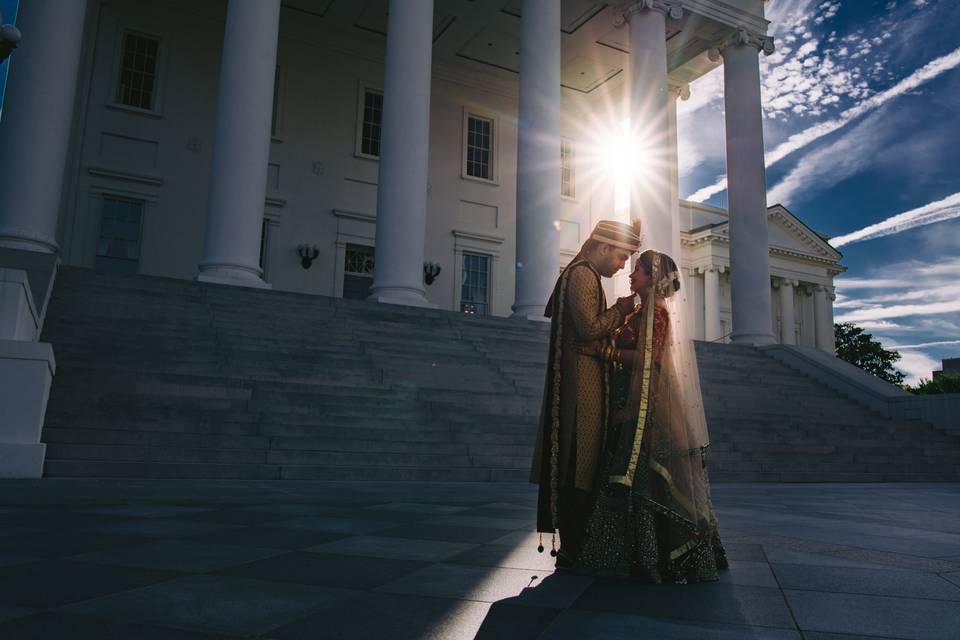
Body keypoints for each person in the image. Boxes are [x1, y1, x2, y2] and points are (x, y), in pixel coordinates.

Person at [575, 250, 729, 583]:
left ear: (652, 278)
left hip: (646, 404)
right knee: (633, 477)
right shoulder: (641, 312)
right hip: (625, 399)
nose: (631, 276)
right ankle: (637, 552)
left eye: (638, 272)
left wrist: (603, 351)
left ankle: (653, 555)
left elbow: (648, 360)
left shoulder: (656, 315)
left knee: (645, 477)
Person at [530, 220, 642, 566]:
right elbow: (589, 327)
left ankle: (577, 545)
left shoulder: (586, 274)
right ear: (603, 247)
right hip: (580, 388)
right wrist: (622, 310)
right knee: (578, 463)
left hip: (588, 382)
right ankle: (574, 547)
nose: (623, 265)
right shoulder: (582, 274)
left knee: (584, 463)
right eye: (621, 256)